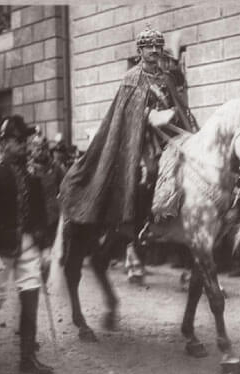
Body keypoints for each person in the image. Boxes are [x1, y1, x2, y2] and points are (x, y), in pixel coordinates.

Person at [59, 26, 197, 284]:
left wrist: (180, 119)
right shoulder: (132, 78)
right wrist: (148, 117)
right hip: (141, 141)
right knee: (151, 172)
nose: (154, 50)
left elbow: (177, 104)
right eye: (149, 46)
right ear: (140, 50)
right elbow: (127, 115)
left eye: (158, 45)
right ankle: (143, 223)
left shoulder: (166, 77)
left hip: (170, 136)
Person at [0, 115, 54, 374]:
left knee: (31, 292)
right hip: (0, 248)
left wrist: (45, 247)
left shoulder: (32, 176)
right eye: (17, 140)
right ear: (5, 143)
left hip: (28, 244)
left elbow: (40, 215)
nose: (23, 145)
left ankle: (27, 358)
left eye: (24, 140)